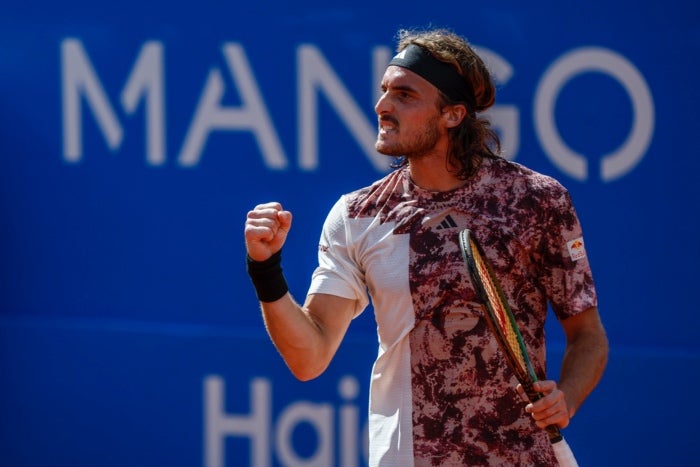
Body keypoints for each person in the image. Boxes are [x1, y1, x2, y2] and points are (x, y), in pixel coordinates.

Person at [244, 27, 608, 466]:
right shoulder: (358, 216)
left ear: (452, 115)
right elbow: (310, 357)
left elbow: (587, 336)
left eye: (404, 95)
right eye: (383, 92)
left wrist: (566, 396)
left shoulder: (536, 200)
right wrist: (265, 268)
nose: (382, 107)